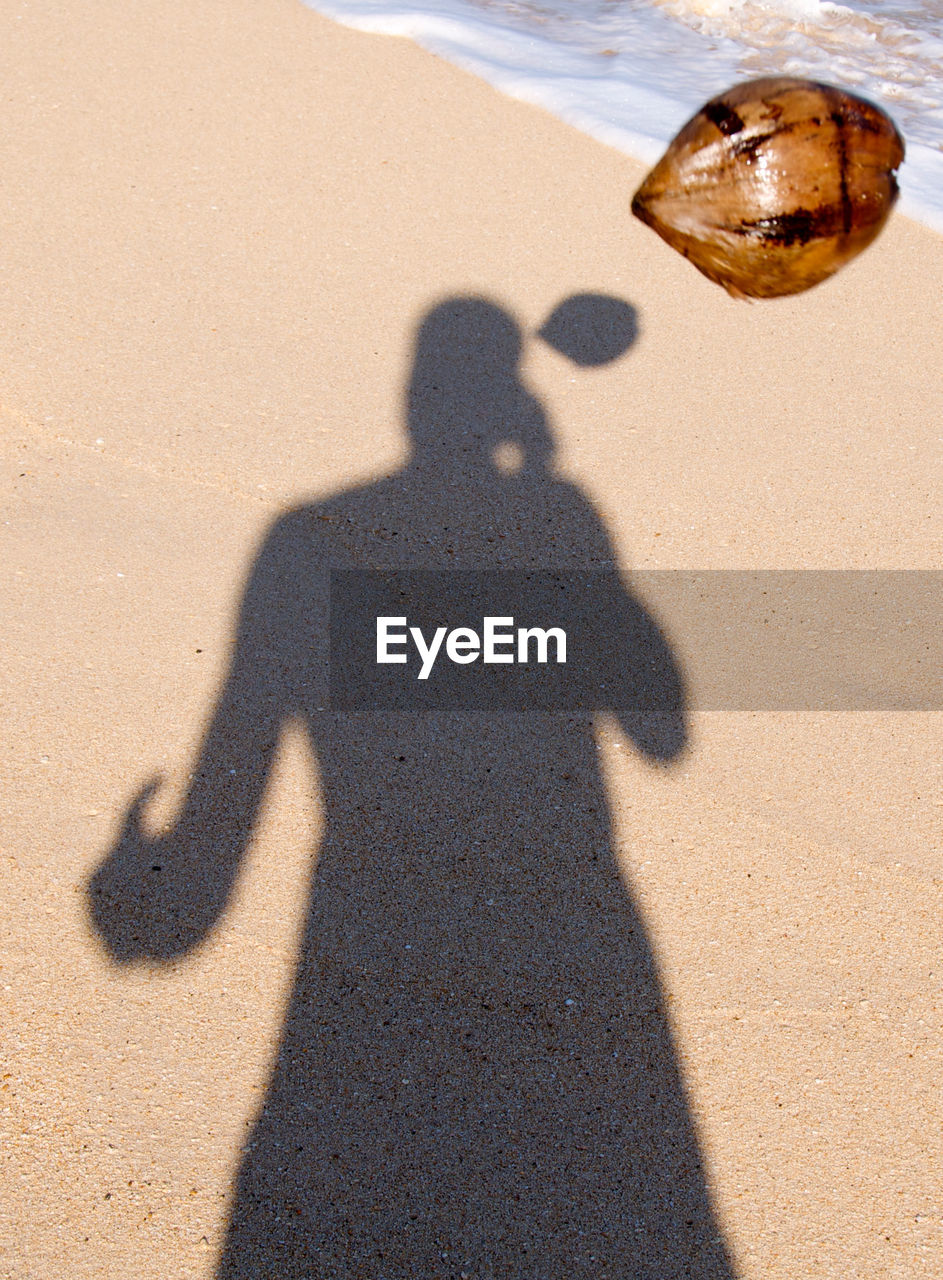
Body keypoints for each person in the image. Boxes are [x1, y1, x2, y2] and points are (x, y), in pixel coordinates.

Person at [89, 297, 735, 1278]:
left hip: (364, 935)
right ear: (504, 401)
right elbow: (664, 729)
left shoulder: (305, 541)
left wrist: (135, 895)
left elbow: (204, 861)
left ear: (412, 400)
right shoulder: (560, 518)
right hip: (569, 932)